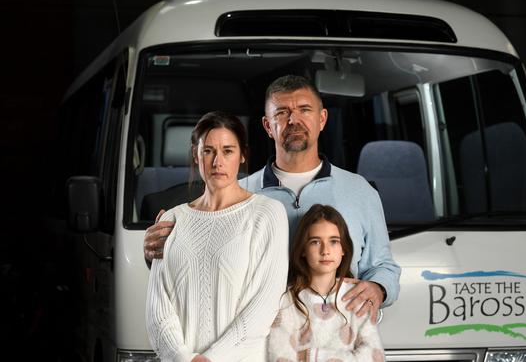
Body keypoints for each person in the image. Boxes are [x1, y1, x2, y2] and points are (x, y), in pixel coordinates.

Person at [144, 75, 400, 323]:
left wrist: (378, 288)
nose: (294, 120)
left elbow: (383, 265)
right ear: (268, 126)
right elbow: (202, 261)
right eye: (281, 113)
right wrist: (157, 251)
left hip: (336, 336)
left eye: (304, 110)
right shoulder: (237, 192)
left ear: (322, 119)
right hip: (258, 342)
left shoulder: (360, 191)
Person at [146, 111, 289, 362]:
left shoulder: (267, 214)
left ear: (242, 155)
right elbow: (158, 310)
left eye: (228, 151)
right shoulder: (171, 219)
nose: (217, 162)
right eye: (208, 151)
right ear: (195, 155)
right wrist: (183, 358)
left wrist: (210, 358)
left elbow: (265, 305)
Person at [267, 204, 385, 362]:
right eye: (315, 242)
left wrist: (311, 356)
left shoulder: (356, 297)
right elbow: (279, 357)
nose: (325, 251)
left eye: (334, 241)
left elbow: (374, 356)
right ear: (303, 249)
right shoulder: (286, 301)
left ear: (344, 249)